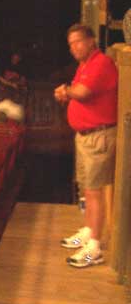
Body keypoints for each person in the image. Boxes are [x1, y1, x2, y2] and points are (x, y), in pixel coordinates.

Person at [54, 23, 118, 268]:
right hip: (85, 137)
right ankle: (89, 232)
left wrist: (66, 92)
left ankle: (94, 249)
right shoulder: (85, 65)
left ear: (91, 40)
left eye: (78, 41)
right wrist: (67, 92)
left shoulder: (101, 63)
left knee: (94, 191)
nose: (73, 48)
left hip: (98, 137)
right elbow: (76, 91)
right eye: (70, 44)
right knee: (87, 189)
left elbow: (82, 92)